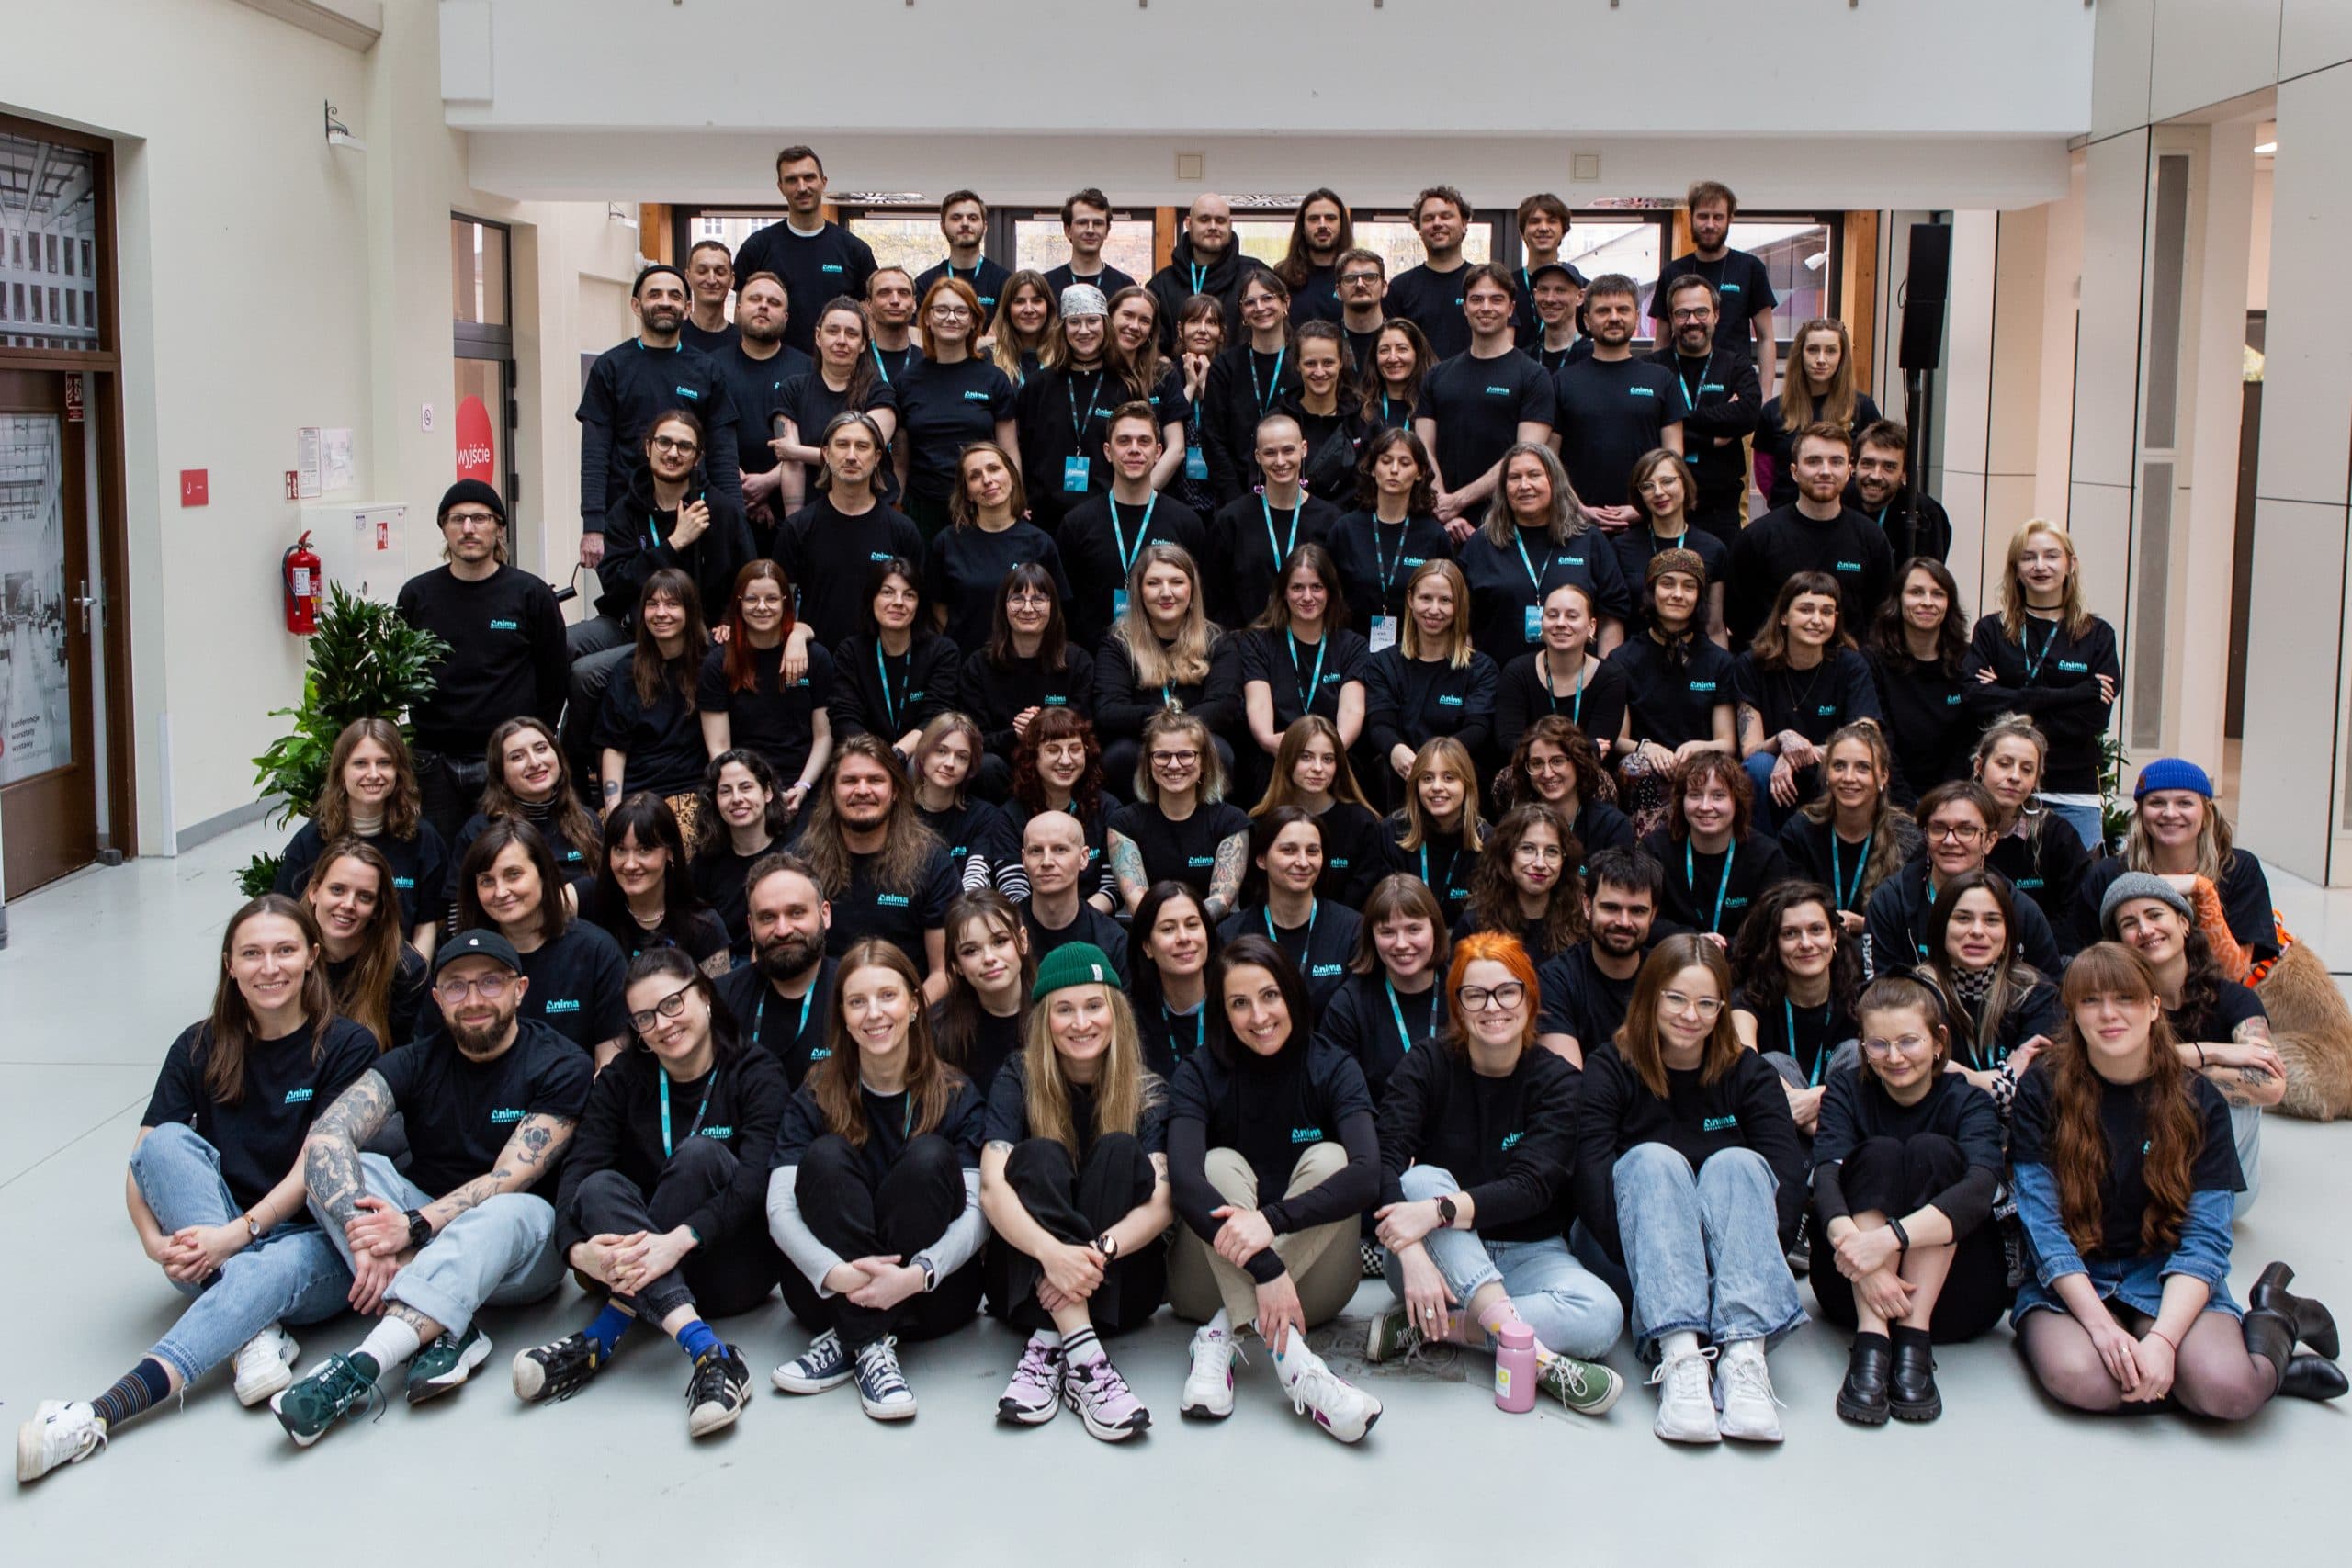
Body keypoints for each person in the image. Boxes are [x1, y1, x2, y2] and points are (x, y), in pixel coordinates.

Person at [14, 898, 381, 1483]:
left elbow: (315, 1168)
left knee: (265, 1267)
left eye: (285, 951)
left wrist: (233, 1239)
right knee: (166, 1144)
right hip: (212, 1239)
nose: (270, 967)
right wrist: (152, 1243)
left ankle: (95, 1414)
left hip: (310, 1243)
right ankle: (253, 1335)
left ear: (312, 957)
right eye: (252, 953)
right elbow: (143, 1161)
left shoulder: (348, 1045)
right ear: (230, 965)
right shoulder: (198, 1044)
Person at [266, 929, 587, 1445]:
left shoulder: (561, 1063)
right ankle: (451, 1329)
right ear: (438, 999)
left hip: (519, 1254)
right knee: (349, 1165)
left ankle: (365, 1363)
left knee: (513, 1208)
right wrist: (364, 1235)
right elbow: (328, 1133)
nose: (474, 999)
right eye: (457, 986)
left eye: (490, 982)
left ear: (519, 989)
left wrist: (412, 1227)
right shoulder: (415, 1059)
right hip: (421, 1232)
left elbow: (510, 1176)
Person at [2009, 942, 2346, 1418]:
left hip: (2164, 1270)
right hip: (2073, 1275)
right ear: (2074, 1013)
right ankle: (2197, 1374)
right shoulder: (2042, 1089)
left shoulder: (2198, 1099)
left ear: (2153, 1007)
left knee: (2228, 1391)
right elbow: (2042, 1227)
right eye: (2091, 1001)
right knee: (2087, 1382)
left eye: (2125, 999)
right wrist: (2102, 1328)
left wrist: (2165, 1339)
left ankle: (2276, 1324)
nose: (2108, 1014)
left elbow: (2206, 1236)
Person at [514, 948, 785, 1434]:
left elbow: (754, 1184)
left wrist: (676, 1241)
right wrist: (579, 1254)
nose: (662, 1024)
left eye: (672, 1004)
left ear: (704, 996)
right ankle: (710, 1352)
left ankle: (604, 1333)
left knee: (699, 1156)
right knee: (598, 1187)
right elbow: (577, 1175)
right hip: (644, 1269)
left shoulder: (754, 1069)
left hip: (732, 1265)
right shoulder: (622, 1078)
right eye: (645, 1017)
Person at [1364, 932, 1625, 1414]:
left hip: (1532, 1253)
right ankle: (1534, 1354)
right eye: (1475, 995)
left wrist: (1438, 1210)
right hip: (1434, 1259)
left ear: (1530, 999)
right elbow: (1382, 1159)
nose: (1493, 1007)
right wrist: (1410, 1249)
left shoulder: (1559, 1081)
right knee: (1420, 1181)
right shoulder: (1427, 1064)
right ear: (1458, 1006)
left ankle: (1437, 1327)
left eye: (1507, 991)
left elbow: (1532, 1186)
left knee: (1603, 1316)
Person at [1572, 935, 1808, 1445]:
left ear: (1722, 1009)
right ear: (1650, 997)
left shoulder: (1749, 1073)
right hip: (1632, 1255)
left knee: (1738, 1163)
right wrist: (1660, 1263)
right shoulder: (1611, 1067)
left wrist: (1746, 1261)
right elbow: (1590, 1180)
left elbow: (1788, 1180)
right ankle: (1681, 1358)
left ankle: (1744, 1358)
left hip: (1731, 1267)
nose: (1690, 1015)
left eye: (1706, 1003)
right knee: (1653, 1159)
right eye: (1676, 998)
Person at [1166, 935, 1384, 1438]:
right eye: (1239, 1003)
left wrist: (1271, 1222)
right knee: (1217, 1164)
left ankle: (1222, 1331)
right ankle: (1298, 1366)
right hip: (1204, 1281)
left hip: (1313, 1289)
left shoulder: (1333, 1066)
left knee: (1332, 1160)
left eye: (1269, 996)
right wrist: (1264, 1268)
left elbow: (1366, 1173)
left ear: (1291, 993)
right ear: (1222, 1012)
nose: (1259, 1016)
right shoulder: (1199, 1072)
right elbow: (1185, 1181)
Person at [765, 938, 989, 1421]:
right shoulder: (816, 1090)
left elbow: (977, 1212)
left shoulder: (955, 1092)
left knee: (930, 1157)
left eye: (888, 996)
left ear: (915, 1004)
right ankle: (870, 1342)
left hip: (930, 1293)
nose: (874, 1013)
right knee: (825, 1157)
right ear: (843, 1016)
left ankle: (853, 1338)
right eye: (857, 1001)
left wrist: (916, 1275)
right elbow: (779, 1208)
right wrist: (835, 1274)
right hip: (829, 1290)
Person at [978, 942, 1172, 1439]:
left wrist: (1091, 1257)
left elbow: (1162, 1202)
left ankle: (1049, 1346)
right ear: (1045, 1019)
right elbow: (992, 1189)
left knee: (1118, 1150)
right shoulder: (1018, 1075)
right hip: (1025, 1286)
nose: (1080, 1022)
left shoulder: (1146, 1089)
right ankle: (1086, 1361)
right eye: (1064, 1009)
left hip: (1120, 1286)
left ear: (1116, 1013)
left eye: (1093, 1006)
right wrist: (1053, 1255)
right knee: (1040, 1155)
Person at [1813, 975, 2011, 1426]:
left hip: (1955, 1297)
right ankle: (1872, 1343)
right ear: (1863, 1046)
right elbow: (1824, 1176)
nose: (1894, 1057)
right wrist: (1864, 1264)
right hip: (1853, 1290)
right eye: (1878, 1045)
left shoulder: (1967, 1101)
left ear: (1938, 1041)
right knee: (1879, 1153)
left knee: (1932, 1151)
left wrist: (1885, 1242)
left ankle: (1913, 1343)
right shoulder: (1846, 1090)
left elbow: (1981, 1188)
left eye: (1908, 1041)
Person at [2101, 874, 2286, 1215]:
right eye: (2129, 924)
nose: (2145, 929)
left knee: (2231, 1102)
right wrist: (2210, 1051)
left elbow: (2272, 1084)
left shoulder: (2233, 998)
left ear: (2184, 924)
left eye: (2155, 915)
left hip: (2224, 1186)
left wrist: (2157, 1067)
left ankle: (2203, 1212)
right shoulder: (2116, 1009)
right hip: (2143, 1176)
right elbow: (2106, 1068)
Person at [397, 480, 569, 844]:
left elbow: (555, 677)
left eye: (479, 518)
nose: (468, 528)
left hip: (507, 760)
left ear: (499, 527)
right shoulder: (417, 595)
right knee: (442, 859)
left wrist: (530, 742)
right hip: (435, 763)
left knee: (510, 854)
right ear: (443, 528)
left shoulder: (530, 594)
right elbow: (402, 674)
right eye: (457, 519)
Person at [582, 410, 751, 742]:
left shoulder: (721, 510)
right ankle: (573, 763)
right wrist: (674, 543)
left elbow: (748, 578)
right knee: (570, 650)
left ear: (698, 457)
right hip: (633, 629)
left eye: (684, 446)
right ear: (648, 447)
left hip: (700, 634)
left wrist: (730, 620)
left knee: (587, 673)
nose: (673, 453)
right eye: (664, 442)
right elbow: (614, 585)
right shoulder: (624, 511)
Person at [1963, 518, 2121, 852]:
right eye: (2028, 557)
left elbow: (2093, 719)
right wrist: (2075, 694)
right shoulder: (1992, 630)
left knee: (2079, 880)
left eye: (2051, 556)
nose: (2040, 566)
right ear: (2016, 569)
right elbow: (1976, 702)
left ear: (2070, 564)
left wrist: (2008, 697)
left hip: (2072, 789)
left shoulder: (2097, 635)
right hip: (2003, 791)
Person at [575, 265, 742, 571]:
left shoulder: (706, 370)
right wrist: (593, 525)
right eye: (655, 295)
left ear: (687, 308)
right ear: (636, 305)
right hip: (627, 519)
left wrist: (735, 522)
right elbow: (595, 452)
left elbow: (723, 455)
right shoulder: (611, 367)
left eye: (674, 296)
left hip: (694, 515)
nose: (665, 302)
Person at [2076, 758, 2280, 977]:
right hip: (2131, 992)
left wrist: (2203, 890)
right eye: (2157, 803)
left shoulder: (2238, 868)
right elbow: (2083, 961)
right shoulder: (2108, 875)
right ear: (2141, 812)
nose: (2170, 813)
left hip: (2211, 996)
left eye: (2184, 803)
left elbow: (2233, 975)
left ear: (2206, 811)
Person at [456, 821, 631, 1067]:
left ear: (543, 874)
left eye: (513, 874)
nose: (501, 892)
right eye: (487, 881)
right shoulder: (462, 958)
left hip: (578, 1089)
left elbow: (611, 1063)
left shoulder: (596, 951)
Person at [795, 737, 956, 999]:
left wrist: (908, 1014)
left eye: (875, 780)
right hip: (822, 1008)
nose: (862, 790)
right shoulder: (800, 862)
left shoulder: (931, 861)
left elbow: (944, 972)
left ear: (895, 791)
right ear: (832, 792)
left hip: (908, 1008)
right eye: (850, 781)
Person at [274, 718, 449, 957]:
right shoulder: (310, 841)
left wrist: (414, 977)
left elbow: (427, 925)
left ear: (398, 772)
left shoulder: (423, 839)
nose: (373, 774)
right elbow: (287, 920)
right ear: (341, 772)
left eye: (384, 763)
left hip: (400, 970)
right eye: (360, 764)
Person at [1863, 781, 2063, 980]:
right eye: (1938, 828)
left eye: (1966, 830)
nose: (1950, 841)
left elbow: (2049, 988)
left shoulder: (2020, 910)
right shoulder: (1890, 901)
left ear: (1990, 841)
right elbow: (1877, 989)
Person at [1732, 571, 1882, 835]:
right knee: (1759, 765)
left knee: (1848, 767)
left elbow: (1867, 737)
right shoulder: (1752, 664)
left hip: (1828, 775)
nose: (1816, 620)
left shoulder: (1851, 665)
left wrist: (1797, 756)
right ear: (1784, 616)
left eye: (1827, 612)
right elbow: (1750, 749)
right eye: (1806, 609)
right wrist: (1783, 739)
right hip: (1774, 781)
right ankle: (1764, 851)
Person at [1457, 443, 1632, 665]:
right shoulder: (1481, 544)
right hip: (1497, 679)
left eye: (1534, 475)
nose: (1524, 485)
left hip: (1578, 680)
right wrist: (1473, 676)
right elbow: (1461, 620)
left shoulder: (1589, 540)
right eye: (1514, 477)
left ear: (1555, 481)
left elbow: (1612, 614)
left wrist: (1604, 675)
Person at [1057, 402, 1213, 650]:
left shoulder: (1187, 523)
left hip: (1168, 660)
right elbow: (1065, 607)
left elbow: (1201, 603)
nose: (1134, 449)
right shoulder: (1076, 524)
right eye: (1124, 441)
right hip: (1094, 659)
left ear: (1158, 452)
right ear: (1108, 451)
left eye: (1144, 441)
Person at [1725, 422, 1895, 648]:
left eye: (1836, 462)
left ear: (1849, 471)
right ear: (1794, 472)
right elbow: (1738, 618)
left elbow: (1880, 617)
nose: (1825, 471)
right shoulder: (1757, 538)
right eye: (1813, 461)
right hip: (1772, 665)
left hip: (1849, 666)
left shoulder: (1872, 539)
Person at [1415, 264, 1557, 533]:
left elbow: (1524, 454)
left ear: (1511, 309)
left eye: (1496, 299)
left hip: (1504, 525)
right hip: (1442, 523)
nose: (1486, 307)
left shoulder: (1534, 377)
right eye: (1477, 299)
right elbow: (1422, 448)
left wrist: (1457, 501)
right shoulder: (1437, 375)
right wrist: (1442, 505)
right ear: (1465, 307)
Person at [1609, 550, 1738, 838]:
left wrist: (1699, 747)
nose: (1678, 594)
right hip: (1649, 765)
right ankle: (1646, 856)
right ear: (1651, 592)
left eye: (1689, 586)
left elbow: (1728, 742)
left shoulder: (1719, 661)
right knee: (1635, 767)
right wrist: (1645, 748)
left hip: (1703, 763)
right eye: (1667, 584)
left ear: (1699, 596)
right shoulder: (1623, 659)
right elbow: (1617, 739)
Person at [1092, 542, 1240, 789]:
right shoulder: (1117, 643)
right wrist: (1162, 723)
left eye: (1176, 582)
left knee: (1221, 753)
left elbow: (1223, 706)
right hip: (1140, 742)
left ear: (1192, 589)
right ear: (1139, 592)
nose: (1166, 592)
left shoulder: (1217, 641)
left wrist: (1179, 729)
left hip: (1199, 741)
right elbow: (1109, 710)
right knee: (1119, 756)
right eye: (1153, 583)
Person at [775, 412, 925, 650]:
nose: (852, 456)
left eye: (862, 446)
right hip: (819, 661)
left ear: (877, 457)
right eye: (842, 445)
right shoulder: (798, 529)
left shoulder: (903, 530)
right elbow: (782, 604)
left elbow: (919, 607)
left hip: (881, 663)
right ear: (826, 453)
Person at [1915, 870, 2063, 1103]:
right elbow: (1913, 1074)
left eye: (1992, 920)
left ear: (2008, 933)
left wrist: (1951, 1071)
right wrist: (1993, 1079)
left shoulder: (2038, 993)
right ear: (1941, 927)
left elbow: (2035, 1092)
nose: (1977, 931)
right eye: (1963, 918)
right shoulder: (1915, 994)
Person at [1730, 881, 1863, 1141]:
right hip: (1778, 1134)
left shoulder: (1861, 998)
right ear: (1774, 943)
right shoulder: (1748, 1000)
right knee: (1772, 1064)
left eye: (1816, 930)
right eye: (1790, 933)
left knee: (1856, 1052)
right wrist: (1791, 1102)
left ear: (1834, 936)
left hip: (1847, 1129)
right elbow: (1744, 1057)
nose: (1806, 943)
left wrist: (1821, 1096)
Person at [700, 560, 833, 812]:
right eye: (752, 599)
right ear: (739, 603)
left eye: (771, 599)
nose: (762, 607)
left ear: (785, 602)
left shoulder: (815, 657)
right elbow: (719, 747)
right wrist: (750, 789)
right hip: (744, 785)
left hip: (806, 781)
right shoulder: (718, 663)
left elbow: (824, 736)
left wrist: (803, 786)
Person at [1363, 560, 1501, 803]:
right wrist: (1397, 751)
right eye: (1426, 598)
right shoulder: (1383, 663)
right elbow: (1380, 724)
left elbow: (1478, 728)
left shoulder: (1482, 669)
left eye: (1445, 600)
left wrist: (1435, 762)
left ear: (1459, 605)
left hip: (1455, 773)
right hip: (1401, 772)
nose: (1434, 609)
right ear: (1410, 599)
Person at [1551, 273, 1683, 524]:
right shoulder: (1562, 382)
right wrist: (1578, 508)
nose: (1614, 317)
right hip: (1577, 525)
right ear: (1587, 320)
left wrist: (1643, 508)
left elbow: (1674, 459)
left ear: (1636, 317)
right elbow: (1550, 459)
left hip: (1647, 522)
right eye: (1603, 311)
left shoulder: (1661, 380)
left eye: (1623, 310)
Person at [893, 279, 1019, 539]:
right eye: (941, 310)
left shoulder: (994, 379)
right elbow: (900, 459)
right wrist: (896, 505)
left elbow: (1009, 450)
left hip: (983, 506)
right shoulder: (907, 382)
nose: (951, 318)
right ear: (927, 319)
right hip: (923, 509)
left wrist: (1016, 500)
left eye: (961, 311)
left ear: (974, 321)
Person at [596, 570, 714, 840]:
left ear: (690, 610)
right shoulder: (626, 670)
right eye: (652, 604)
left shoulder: (710, 664)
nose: (661, 613)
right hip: (636, 792)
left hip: (690, 790)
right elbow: (614, 747)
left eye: (672, 604)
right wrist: (613, 809)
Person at [1645, 275, 1762, 543]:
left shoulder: (1736, 365)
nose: (1692, 321)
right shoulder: (1652, 368)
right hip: (1661, 506)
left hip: (1721, 507)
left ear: (1716, 315)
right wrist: (1711, 438)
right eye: (1682, 313)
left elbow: (1748, 414)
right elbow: (1647, 426)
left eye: (1701, 312)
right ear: (1671, 318)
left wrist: (1676, 421)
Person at [731, 146, 878, 357]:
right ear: (781, 187)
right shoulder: (756, 248)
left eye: (809, 178)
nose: (802, 187)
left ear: (823, 182)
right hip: (771, 367)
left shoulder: (855, 251)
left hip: (837, 368)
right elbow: (742, 317)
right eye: (792, 180)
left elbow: (869, 320)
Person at [1317, 874, 1450, 1104]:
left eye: (1414, 929)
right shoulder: (1349, 1006)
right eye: (1387, 932)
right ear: (1372, 936)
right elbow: (1338, 1098)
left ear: (1435, 929)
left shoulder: (1464, 990)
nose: (1401, 944)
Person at [447, 716, 605, 910]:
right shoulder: (480, 830)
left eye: (541, 749)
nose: (534, 762)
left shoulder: (587, 820)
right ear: (501, 776)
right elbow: (458, 910)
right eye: (517, 757)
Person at [1239, 542, 1370, 777]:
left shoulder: (1353, 646)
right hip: (1278, 754)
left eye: (1317, 587)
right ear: (1283, 592)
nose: (1307, 597)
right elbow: (1258, 705)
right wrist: (1269, 741)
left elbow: (1353, 710)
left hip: (1333, 755)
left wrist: (1325, 754)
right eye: (1297, 588)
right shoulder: (1257, 643)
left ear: (1330, 591)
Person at [1638, 750, 1791, 949]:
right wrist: (1696, 941)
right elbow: (1644, 919)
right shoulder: (1655, 849)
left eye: (1718, 796)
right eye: (1695, 795)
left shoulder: (1767, 855)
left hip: (1742, 961)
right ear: (1681, 800)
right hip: (1675, 957)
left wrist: (1723, 946)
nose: (1705, 806)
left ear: (1737, 801)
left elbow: (1771, 928)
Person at [924, 443, 1068, 652]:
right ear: (967, 493)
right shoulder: (946, 543)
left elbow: (1057, 610)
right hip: (964, 662)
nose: (987, 480)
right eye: (975, 476)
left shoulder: (1040, 543)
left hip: (1025, 662)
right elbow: (938, 609)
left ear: (1012, 477)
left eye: (994, 469)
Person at [1217, 806, 1362, 1013]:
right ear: (1261, 859)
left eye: (1312, 851)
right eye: (1289, 850)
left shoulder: (1352, 930)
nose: (1303, 862)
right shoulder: (1231, 934)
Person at [1107, 709, 1250, 916]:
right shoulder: (1124, 823)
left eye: (1185, 755)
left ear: (1204, 762)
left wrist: (1187, 925)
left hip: (1211, 930)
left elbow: (1221, 900)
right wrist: (1170, 926)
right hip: (1150, 929)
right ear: (1148, 763)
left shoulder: (1231, 822)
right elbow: (1137, 901)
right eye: (1162, 756)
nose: (1174, 765)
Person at [1776, 721, 1914, 936]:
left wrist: (1864, 924)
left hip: (1879, 948)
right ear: (1826, 774)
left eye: (1863, 768)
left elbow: (1911, 923)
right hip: (1813, 944)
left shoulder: (1907, 835)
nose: (1849, 778)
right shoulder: (1800, 831)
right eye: (1839, 766)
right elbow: (1789, 909)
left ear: (1883, 777)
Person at [1209, 412, 1345, 629]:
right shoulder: (1231, 520)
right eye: (1270, 453)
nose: (1280, 461)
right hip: (1246, 641)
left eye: (1288, 450)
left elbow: (1338, 595)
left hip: (1311, 642)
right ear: (1257, 456)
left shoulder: (1331, 521)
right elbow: (1216, 597)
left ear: (1304, 449)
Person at [715, 852, 839, 1089]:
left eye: (796, 913)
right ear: (751, 927)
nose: (782, 930)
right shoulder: (722, 1000)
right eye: (767, 917)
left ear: (825, 914)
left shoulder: (855, 993)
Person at [1012, 284, 1125, 536]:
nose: (1084, 330)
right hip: (1043, 518)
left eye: (1092, 321)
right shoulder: (1038, 386)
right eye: (1074, 322)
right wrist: (1019, 497)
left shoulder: (1124, 385)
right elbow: (1021, 448)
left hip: (1106, 518)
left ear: (1105, 326)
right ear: (1063, 328)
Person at [1973, 715, 2093, 954]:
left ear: (2036, 779)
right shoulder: (1953, 827)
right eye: (2004, 764)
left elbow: (2077, 914)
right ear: (1979, 766)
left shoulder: (2057, 835)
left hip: (2041, 958)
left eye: (2027, 769)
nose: (2015, 776)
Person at [1533, 845, 1662, 1066]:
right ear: (1587, 906)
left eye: (1637, 911)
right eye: (1611, 908)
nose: (1624, 922)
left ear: (1653, 915)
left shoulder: (1667, 977)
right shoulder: (1556, 980)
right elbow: (1565, 1079)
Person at [713, 272, 815, 551]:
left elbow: (814, 436)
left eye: (774, 302)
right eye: (755, 299)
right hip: (724, 507)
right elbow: (701, 433)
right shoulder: (711, 367)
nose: (763, 306)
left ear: (786, 317)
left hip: (792, 511)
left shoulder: (807, 370)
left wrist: (769, 482)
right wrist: (741, 487)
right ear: (737, 309)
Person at [1648, 180, 1781, 391]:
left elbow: (1765, 338)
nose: (1710, 225)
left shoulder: (1750, 268)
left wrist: (1764, 396)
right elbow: (1661, 342)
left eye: (1718, 217)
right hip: (1681, 384)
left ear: (1730, 219)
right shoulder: (1672, 272)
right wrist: (1656, 391)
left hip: (1734, 383)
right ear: (1691, 218)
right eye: (1703, 216)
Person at [1327, 426, 1453, 647]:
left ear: (1420, 473)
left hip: (1415, 651)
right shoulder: (1345, 530)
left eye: (1405, 463)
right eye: (1386, 461)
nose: (1394, 470)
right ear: (1372, 469)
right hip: (1351, 650)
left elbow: (1451, 599)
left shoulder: (1434, 535)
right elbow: (1329, 596)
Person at [578, 794, 732, 976]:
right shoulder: (591, 900)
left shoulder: (705, 926)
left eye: (644, 850)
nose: (630, 865)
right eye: (620, 849)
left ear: (669, 852)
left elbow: (719, 993)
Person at [773, 299, 901, 511]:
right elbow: (790, 463)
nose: (841, 341)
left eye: (851, 334)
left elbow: (863, 455)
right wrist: (793, 521)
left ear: (863, 344)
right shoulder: (791, 390)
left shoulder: (880, 394)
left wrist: (796, 451)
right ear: (818, 337)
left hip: (873, 510)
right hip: (812, 512)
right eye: (833, 331)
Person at [1866, 556, 1974, 806]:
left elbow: (1967, 742)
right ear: (1898, 600)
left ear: (1949, 603)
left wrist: (1942, 803)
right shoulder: (1872, 661)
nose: (1927, 602)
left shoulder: (1968, 660)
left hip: (1953, 797)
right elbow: (1881, 741)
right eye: (1916, 592)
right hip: (1888, 797)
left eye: (1938, 594)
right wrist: (1907, 807)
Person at [302, 840, 430, 1050]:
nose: (348, 905)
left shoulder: (406, 970)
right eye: (337, 890)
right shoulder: (284, 955)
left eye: (365, 897)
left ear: (378, 909)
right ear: (314, 891)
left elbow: (409, 1056)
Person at [828, 558, 960, 758]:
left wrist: (896, 755)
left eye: (909, 595)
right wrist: (876, 759)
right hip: (863, 756)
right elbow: (844, 719)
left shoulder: (942, 652)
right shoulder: (850, 652)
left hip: (918, 756)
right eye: (887, 592)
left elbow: (936, 718)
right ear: (872, 599)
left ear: (919, 604)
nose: (898, 602)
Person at [1252, 714, 1387, 907]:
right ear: (1287, 759)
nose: (1318, 768)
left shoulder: (1362, 822)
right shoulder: (1263, 821)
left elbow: (1365, 894)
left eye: (1328, 759)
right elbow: (1255, 893)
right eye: (1306, 757)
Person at [1495, 579, 1629, 769]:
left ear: (1592, 626)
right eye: (1552, 615)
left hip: (1586, 775)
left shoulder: (1611, 677)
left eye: (1572, 616)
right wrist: (1580, 749)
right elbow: (1509, 745)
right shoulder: (1516, 672)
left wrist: (1537, 751)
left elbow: (1600, 750)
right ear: (1542, 623)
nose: (1560, 623)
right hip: (1528, 773)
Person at [1200, 268, 1302, 509]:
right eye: (1250, 302)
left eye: (1268, 298)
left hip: (1295, 492)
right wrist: (1236, 500)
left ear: (1286, 303)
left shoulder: (1302, 363)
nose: (1259, 307)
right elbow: (1212, 438)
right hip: (1235, 495)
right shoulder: (1225, 366)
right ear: (1243, 313)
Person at [1753, 318, 1880, 508]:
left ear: (1842, 356)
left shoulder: (1863, 407)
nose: (1821, 359)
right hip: (1787, 516)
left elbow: (1876, 463)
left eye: (1831, 351)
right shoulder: (1773, 411)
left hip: (1847, 515)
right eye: (1812, 350)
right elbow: (1765, 477)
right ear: (1800, 354)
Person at [1004, 710, 1118, 913]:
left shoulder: (1108, 808)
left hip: (1093, 918)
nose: (1066, 760)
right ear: (1033, 756)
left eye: (1074, 749)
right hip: (1030, 923)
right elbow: (1014, 891)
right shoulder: (1010, 815)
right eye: (1053, 750)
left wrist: (1075, 920)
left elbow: (1112, 886)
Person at [1613, 448, 1728, 640]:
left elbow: (1715, 627)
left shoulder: (1713, 548)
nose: (1658, 492)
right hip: (1637, 654)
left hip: (1695, 655)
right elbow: (1615, 622)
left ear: (1685, 483)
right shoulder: (1620, 548)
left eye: (1667, 481)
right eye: (1647, 486)